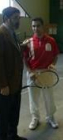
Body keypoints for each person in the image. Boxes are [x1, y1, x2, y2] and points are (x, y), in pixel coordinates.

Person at [23, 17, 59, 130]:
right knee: (33, 98)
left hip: (47, 73)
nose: (36, 28)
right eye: (33, 26)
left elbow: (55, 55)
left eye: (38, 26)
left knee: (49, 97)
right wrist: (30, 72)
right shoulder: (28, 43)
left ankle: (50, 117)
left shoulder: (51, 41)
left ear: (43, 26)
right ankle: (35, 118)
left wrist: (53, 64)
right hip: (33, 74)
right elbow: (25, 60)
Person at [0, 7, 27, 140]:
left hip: (15, 83)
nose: (18, 21)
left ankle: (13, 136)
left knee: (14, 113)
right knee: (3, 116)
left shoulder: (12, 32)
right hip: (6, 86)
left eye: (19, 18)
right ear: (6, 18)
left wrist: (21, 47)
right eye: (16, 18)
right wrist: (3, 85)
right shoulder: (1, 33)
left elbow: (12, 50)